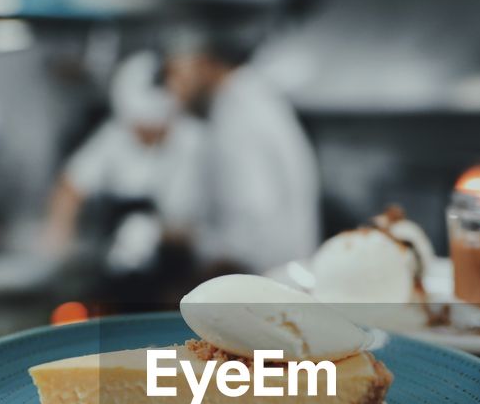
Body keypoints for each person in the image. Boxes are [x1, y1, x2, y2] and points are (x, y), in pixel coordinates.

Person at [165, 31, 320, 274]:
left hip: (262, 285)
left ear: (205, 66)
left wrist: (195, 248)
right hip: (280, 277)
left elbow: (253, 223)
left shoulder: (236, 117)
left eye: (176, 74)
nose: (173, 91)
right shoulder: (251, 100)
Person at [42, 51, 205, 262]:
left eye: (150, 130)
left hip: (180, 266)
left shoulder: (196, 143)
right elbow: (70, 187)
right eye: (136, 128)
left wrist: (155, 234)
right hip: (117, 264)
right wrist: (58, 234)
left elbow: (207, 229)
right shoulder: (115, 135)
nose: (141, 136)